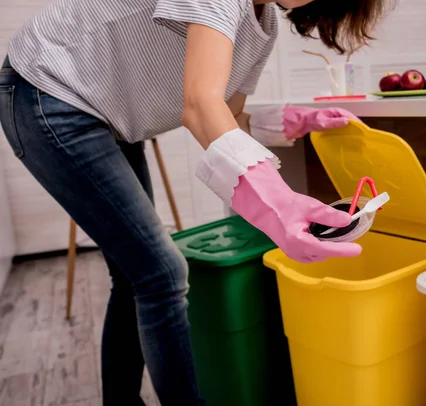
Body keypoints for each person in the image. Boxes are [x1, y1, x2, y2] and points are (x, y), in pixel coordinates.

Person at [0, 0, 389, 404]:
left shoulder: (265, 26)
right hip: (47, 90)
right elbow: (200, 107)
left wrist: (294, 120)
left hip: (100, 114)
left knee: (137, 275)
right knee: (162, 275)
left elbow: (230, 115)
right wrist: (279, 204)